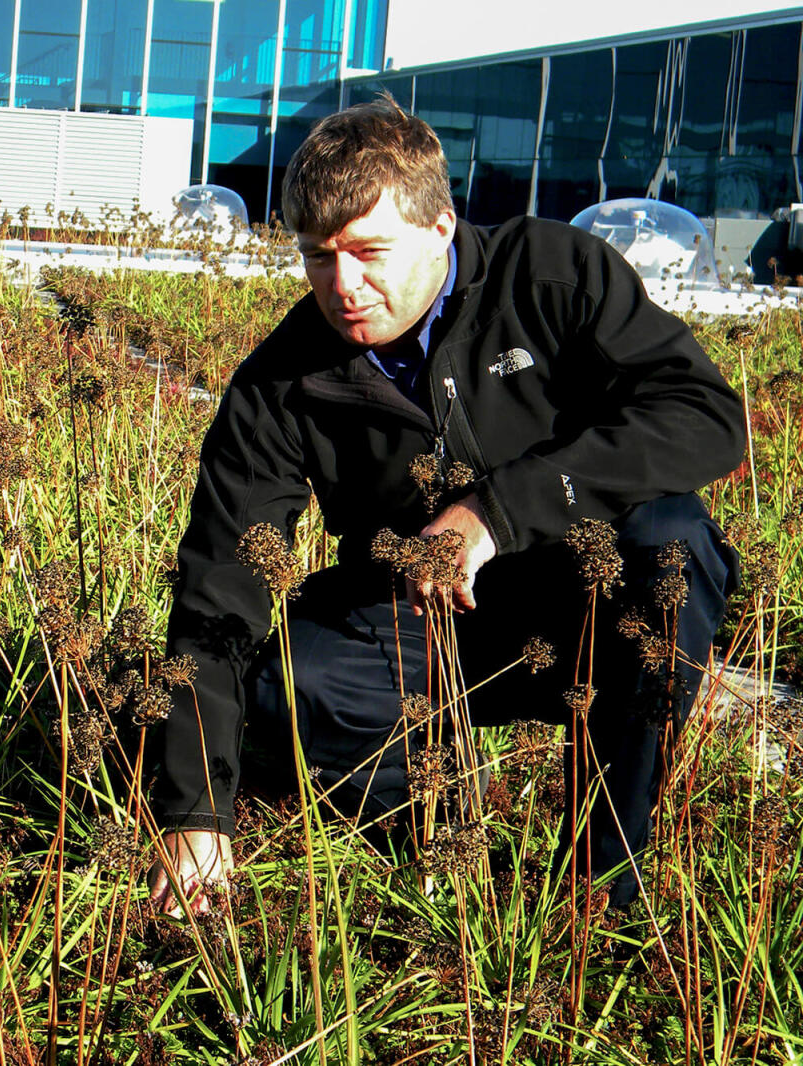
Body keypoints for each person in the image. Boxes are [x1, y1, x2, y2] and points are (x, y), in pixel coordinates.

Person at [146, 93, 744, 917]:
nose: (342, 285)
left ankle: (604, 884)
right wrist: (193, 814)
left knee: (671, 545)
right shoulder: (281, 383)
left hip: (589, 602)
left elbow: (706, 419)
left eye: (368, 251)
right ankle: (440, 815)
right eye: (318, 256)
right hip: (424, 625)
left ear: (440, 227)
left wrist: (495, 513)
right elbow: (219, 588)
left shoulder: (552, 277)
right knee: (286, 680)